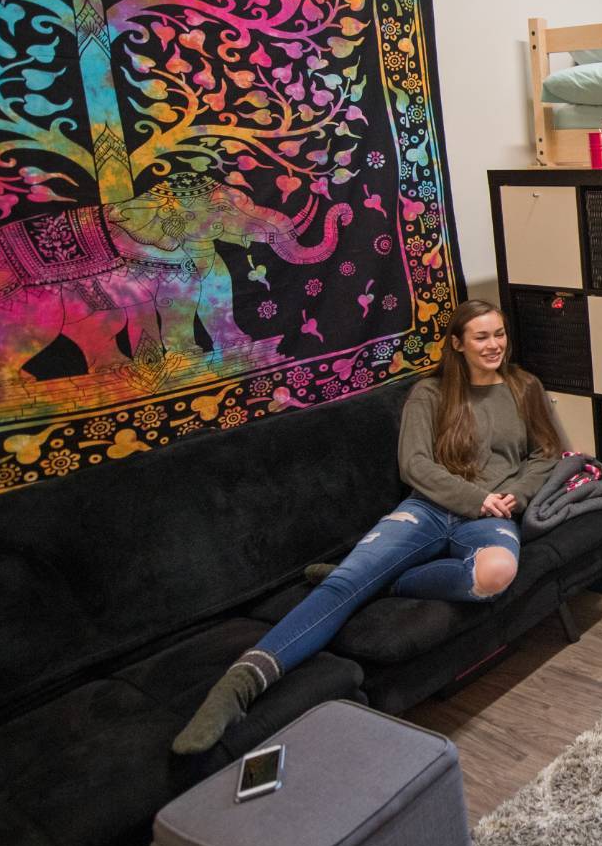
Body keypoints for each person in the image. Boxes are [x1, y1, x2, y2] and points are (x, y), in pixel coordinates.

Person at [172, 299, 561, 753]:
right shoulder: (430, 395)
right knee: (344, 584)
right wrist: (475, 496)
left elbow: (545, 454)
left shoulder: (523, 386)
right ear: (457, 343)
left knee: (496, 573)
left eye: (499, 334)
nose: (494, 344)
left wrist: (517, 493)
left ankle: (389, 582)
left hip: (492, 516)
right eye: (481, 336)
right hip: (429, 508)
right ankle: (240, 684)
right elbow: (414, 465)